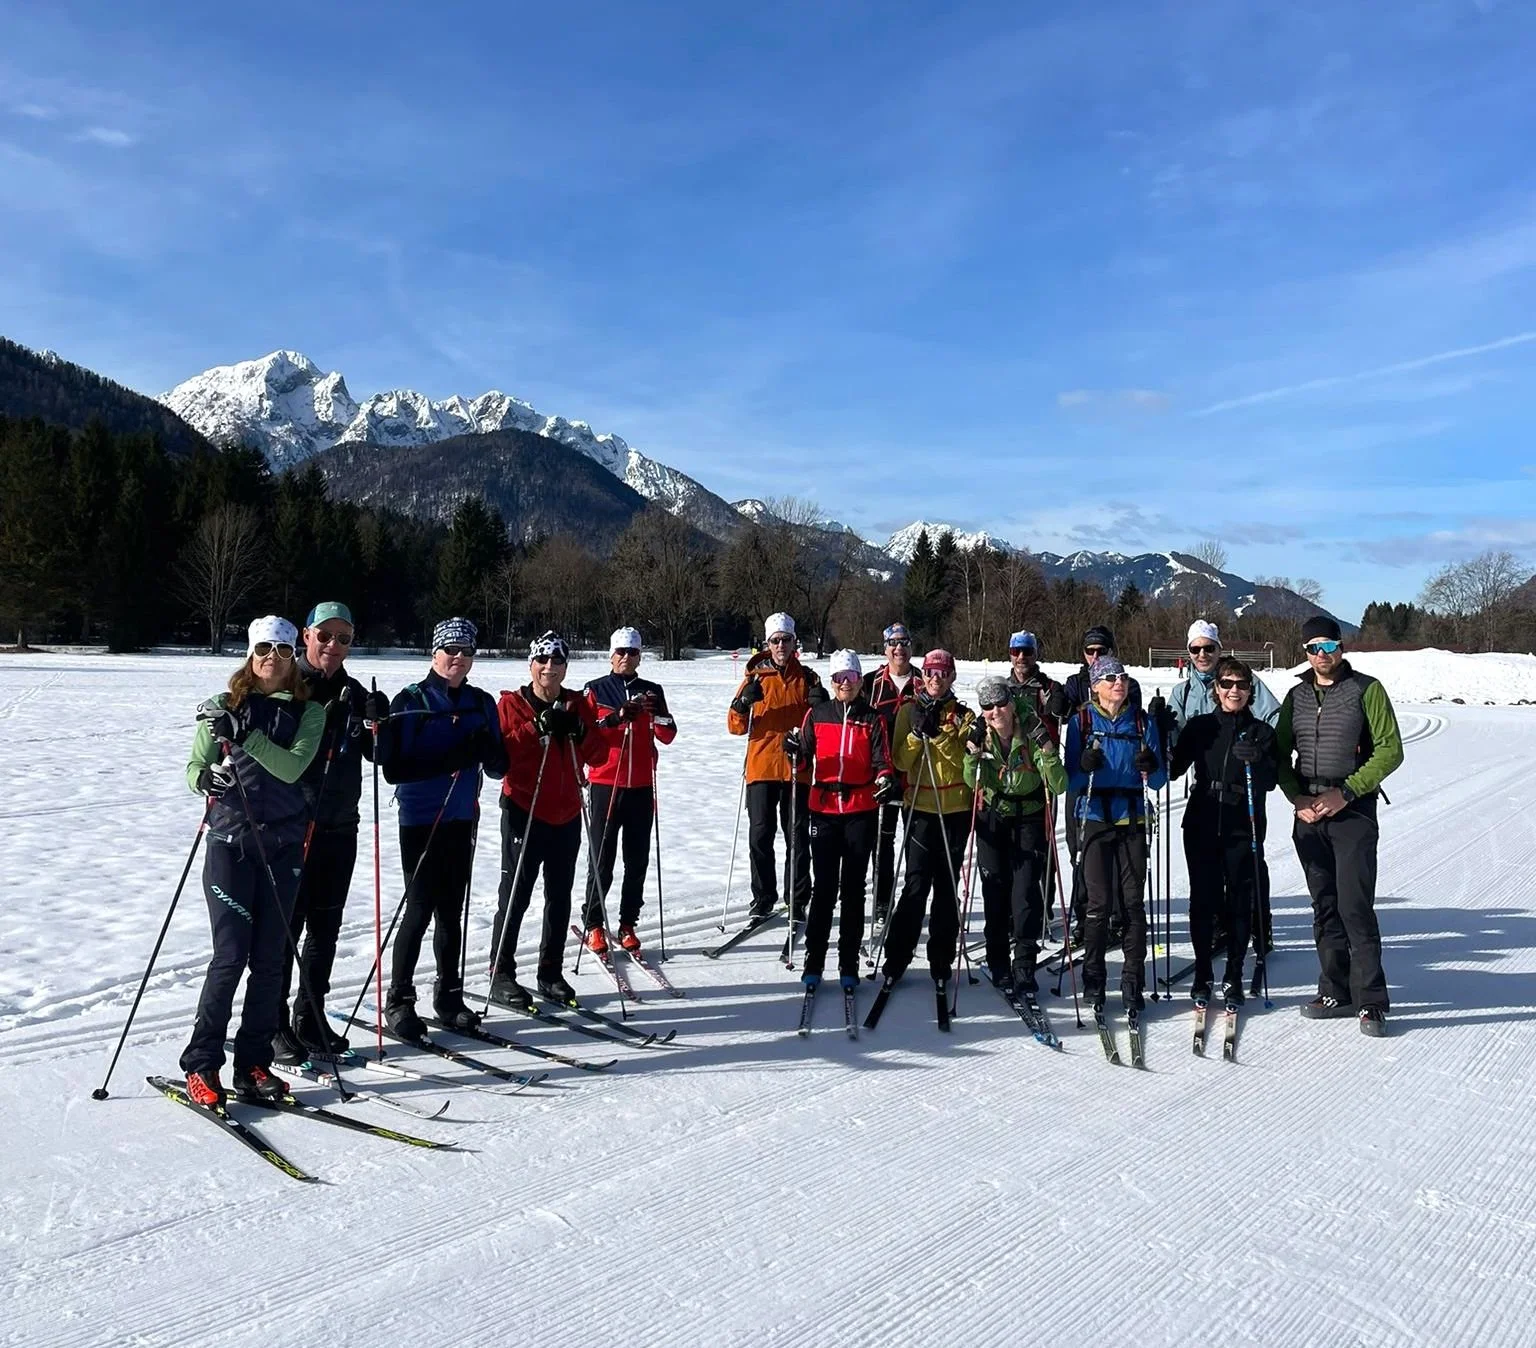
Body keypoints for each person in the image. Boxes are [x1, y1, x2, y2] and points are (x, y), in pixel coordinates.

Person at [180, 616, 325, 1107]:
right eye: (264, 649)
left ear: (293, 659)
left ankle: (254, 1063)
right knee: (230, 957)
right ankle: (201, 1065)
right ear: (250, 653)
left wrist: (243, 736)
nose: (272, 658)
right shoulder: (223, 706)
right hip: (231, 845)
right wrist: (204, 780)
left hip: (283, 847)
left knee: (270, 962)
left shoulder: (309, 713)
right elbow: (194, 765)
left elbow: (291, 767)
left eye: (283, 651)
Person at [376, 617, 506, 1040]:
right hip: (420, 820)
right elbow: (393, 770)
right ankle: (398, 1000)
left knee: (452, 910)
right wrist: (455, 756)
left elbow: (499, 766)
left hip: (462, 818)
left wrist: (489, 751)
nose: (459, 659)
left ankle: (449, 997)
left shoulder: (481, 702)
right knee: (418, 909)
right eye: (451, 650)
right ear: (435, 653)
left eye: (466, 652)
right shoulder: (412, 699)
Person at [1275, 618, 1403, 1036]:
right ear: (1305, 652)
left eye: (1328, 645)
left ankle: (1370, 1000)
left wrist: (1346, 793)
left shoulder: (1367, 690)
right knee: (1324, 905)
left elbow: (1390, 750)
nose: (1321, 654)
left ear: (1341, 647)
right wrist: (1296, 798)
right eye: (1313, 647)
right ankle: (1335, 989)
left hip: (1352, 811)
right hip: (1309, 812)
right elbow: (1279, 755)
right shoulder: (1296, 696)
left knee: (1354, 906)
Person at [273, 601, 386, 1060]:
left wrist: (379, 724)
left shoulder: (356, 692)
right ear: (306, 636)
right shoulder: (285, 686)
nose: (333, 646)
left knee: (326, 927)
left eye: (344, 638)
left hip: (340, 824)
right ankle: (271, 1022)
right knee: (284, 931)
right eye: (326, 636)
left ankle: (311, 1017)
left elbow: (379, 758)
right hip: (291, 824)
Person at [491, 632, 605, 1007]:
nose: (549, 668)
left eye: (557, 663)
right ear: (531, 665)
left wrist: (580, 730)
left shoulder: (576, 704)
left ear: (565, 668)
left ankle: (550, 971)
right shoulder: (511, 704)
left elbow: (599, 754)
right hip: (524, 808)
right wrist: (537, 727)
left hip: (567, 810)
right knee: (517, 893)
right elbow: (502, 756)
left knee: (559, 895)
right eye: (543, 661)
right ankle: (501, 973)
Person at [1158, 619, 1282, 952]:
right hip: (1207, 788)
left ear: (1218, 649)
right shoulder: (1182, 692)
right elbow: (1176, 743)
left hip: (1245, 786)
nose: (1202, 654)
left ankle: (1260, 925)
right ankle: (1216, 928)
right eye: (1195, 649)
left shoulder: (1240, 679)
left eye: (1208, 648)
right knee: (1209, 868)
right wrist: (1160, 730)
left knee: (1249, 864)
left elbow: (1275, 719)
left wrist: (1260, 752)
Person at [1167, 657, 1277, 1005]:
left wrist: (1257, 758)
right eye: (1227, 684)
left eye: (1241, 685)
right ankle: (1203, 972)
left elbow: (1272, 781)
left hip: (1243, 823)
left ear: (1250, 690)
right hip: (1201, 819)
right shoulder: (1200, 727)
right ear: (1215, 689)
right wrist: (1158, 731)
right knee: (1203, 900)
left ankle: (1234, 971)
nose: (1234, 691)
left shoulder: (1261, 732)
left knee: (1239, 901)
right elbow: (1171, 769)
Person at [786, 650, 898, 989]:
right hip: (823, 808)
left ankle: (847, 959)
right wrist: (792, 751)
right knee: (823, 889)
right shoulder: (816, 714)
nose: (844, 684)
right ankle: (814, 959)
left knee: (852, 889)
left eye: (850, 678)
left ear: (859, 681)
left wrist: (884, 780)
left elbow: (884, 762)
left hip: (859, 810)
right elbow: (803, 759)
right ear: (832, 682)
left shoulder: (872, 717)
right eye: (838, 678)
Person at [1063, 655, 1167, 1013]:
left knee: (1133, 904)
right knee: (1098, 905)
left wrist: (1151, 766)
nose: (1117, 682)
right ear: (1094, 686)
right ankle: (1094, 980)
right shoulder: (1081, 722)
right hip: (1093, 815)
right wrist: (1082, 765)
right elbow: (1072, 782)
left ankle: (1132, 981)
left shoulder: (1142, 721)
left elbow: (1158, 781)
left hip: (1133, 818)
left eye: (1122, 676)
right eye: (1108, 678)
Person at [963, 675, 1067, 994]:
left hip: (1030, 815)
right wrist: (971, 752)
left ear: (1010, 703)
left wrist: (1047, 750)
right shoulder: (981, 733)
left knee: (1024, 894)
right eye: (987, 706)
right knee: (994, 889)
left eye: (1000, 703)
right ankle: (998, 961)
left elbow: (1060, 784)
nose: (995, 712)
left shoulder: (1031, 728)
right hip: (994, 815)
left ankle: (1023, 962)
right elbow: (972, 781)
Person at [878, 650, 976, 988]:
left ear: (951, 677)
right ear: (924, 676)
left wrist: (938, 736)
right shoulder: (908, 711)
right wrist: (916, 735)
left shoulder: (964, 716)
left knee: (947, 887)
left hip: (954, 809)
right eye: (931, 672)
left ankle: (941, 958)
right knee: (917, 883)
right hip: (919, 806)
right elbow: (902, 763)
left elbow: (965, 762)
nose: (937, 679)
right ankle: (897, 956)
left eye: (943, 673)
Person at [580, 627, 677, 953]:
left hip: (641, 784)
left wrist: (658, 715)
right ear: (611, 655)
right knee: (602, 858)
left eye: (632, 653)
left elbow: (668, 734)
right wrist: (616, 719)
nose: (626, 657)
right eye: (621, 652)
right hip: (607, 783)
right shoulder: (596, 689)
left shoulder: (652, 689)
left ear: (639, 656)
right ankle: (594, 922)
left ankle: (627, 923)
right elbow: (586, 735)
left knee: (637, 860)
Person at [726, 613, 826, 921]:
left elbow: (824, 730)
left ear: (795, 642)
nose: (781, 645)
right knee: (760, 836)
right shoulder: (756, 676)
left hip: (797, 768)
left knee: (797, 837)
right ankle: (763, 897)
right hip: (761, 767)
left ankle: (797, 898)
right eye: (775, 640)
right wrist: (742, 704)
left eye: (786, 639)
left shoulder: (808, 678)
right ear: (767, 644)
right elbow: (735, 726)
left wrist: (820, 706)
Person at [1061, 625, 1141, 946]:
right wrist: (1059, 704)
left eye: (1101, 651)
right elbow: (1063, 709)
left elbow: (1129, 711)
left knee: (1120, 856)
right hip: (1083, 781)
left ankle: (1120, 917)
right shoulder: (1074, 683)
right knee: (1080, 851)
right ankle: (1085, 918)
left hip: (1115, 779)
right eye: (1089, 651)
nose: (1095, 656)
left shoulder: (1124, 683)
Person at [862, 623, 918, 924]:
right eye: (893, 643)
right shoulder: (871, 683)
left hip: (916, 776)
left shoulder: (924, 681)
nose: (899, 649)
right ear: (885, 649)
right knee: (882, 842)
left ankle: (912, 900)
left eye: (904, 642)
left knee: (915, 842)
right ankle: (883, 901)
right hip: (882, 774)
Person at [1005, 630, 1069, 730]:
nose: (1021, 657)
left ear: (1035, 654)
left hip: (1043, 744)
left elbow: (1066, 717)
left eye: (1027, 652)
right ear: (1010, 655)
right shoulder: (1003, 689)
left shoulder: (1051, 688)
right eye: (1016, 651)